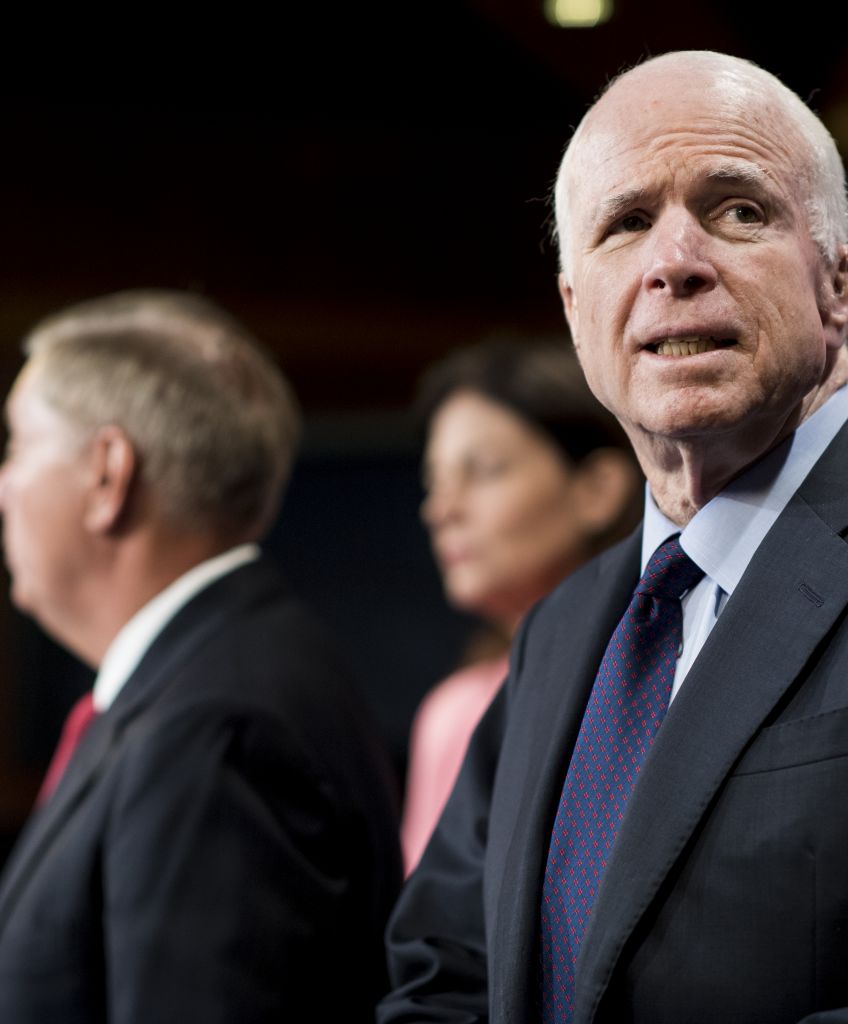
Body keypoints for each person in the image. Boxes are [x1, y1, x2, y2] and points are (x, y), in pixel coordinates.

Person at [378, 50, 848, 1024]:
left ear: (834, 283)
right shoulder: (561, 630)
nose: (673, 262)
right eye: (624, 223)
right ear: (571, 307)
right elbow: (443, 965)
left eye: (737, 210)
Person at [0, 289, 402, 1022]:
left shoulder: (216, 726)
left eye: (17, 447)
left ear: (105, 475)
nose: (3, 489)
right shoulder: (213, 679)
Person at [402, 340, 641, 872]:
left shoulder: (658, 679)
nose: (441, 509)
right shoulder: (457, 711)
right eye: (434, 483)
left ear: (598, 489)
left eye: (482, 471)